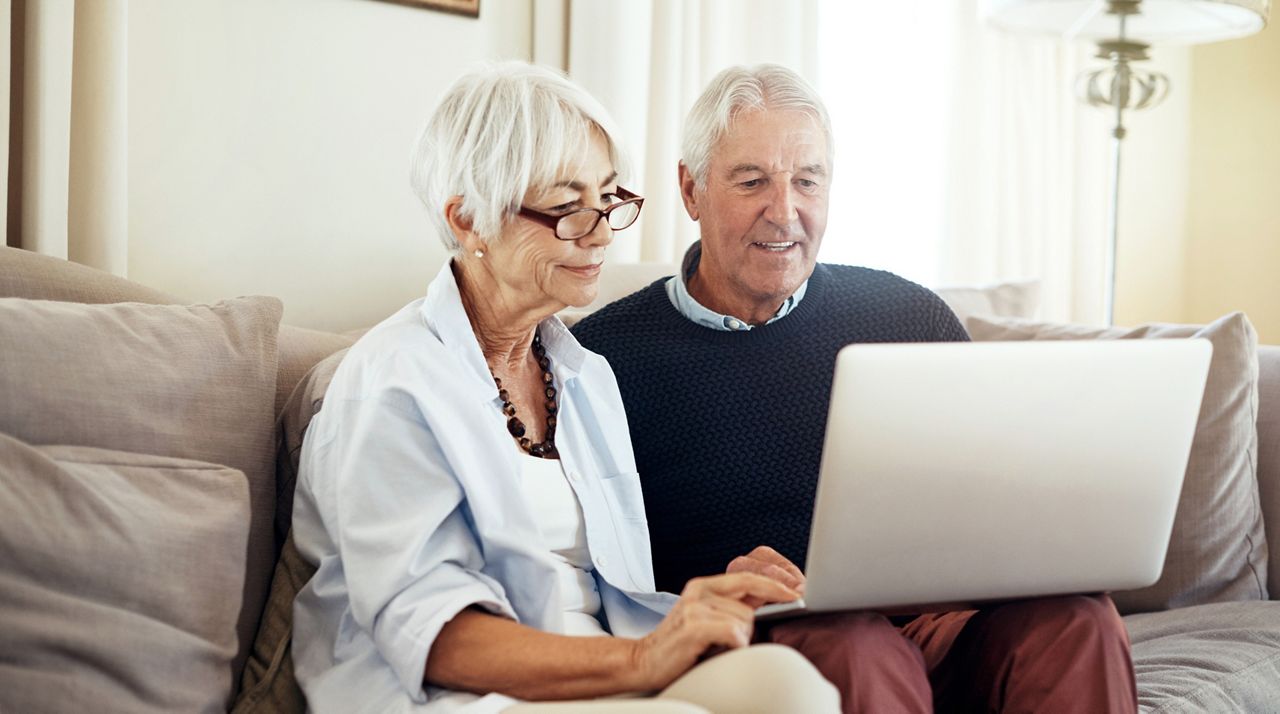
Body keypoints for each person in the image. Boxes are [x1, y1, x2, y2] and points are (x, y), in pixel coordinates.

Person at [572, 64, 1139, 713]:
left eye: (807, 181)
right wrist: (702, 589)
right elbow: (596, 576)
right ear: (690, 189)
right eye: (751, 180)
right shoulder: (605, 355)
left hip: (933, 623)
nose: (784, 211)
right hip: (776, 639)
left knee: (1079, 621)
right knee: (856, 646)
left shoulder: (909, 316)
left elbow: (992, 493)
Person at [289, 62, 840, 714]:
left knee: (790, 685)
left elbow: (609, 596)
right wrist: (642, 659)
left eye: (607, 198)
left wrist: (706, 601)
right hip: (461, 698)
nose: (602, 231)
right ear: (468, 220)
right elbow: (437, 639)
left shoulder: (583, 374)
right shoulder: (392, 383)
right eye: (565, 206)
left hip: (602, 677)